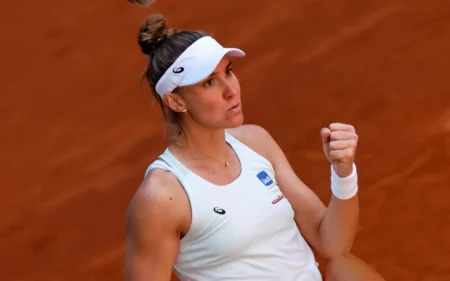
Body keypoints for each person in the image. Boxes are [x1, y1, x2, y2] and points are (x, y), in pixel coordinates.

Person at [124, 10, 386, 281]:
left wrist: (344, 174)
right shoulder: (162, 196)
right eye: (210, 82)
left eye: (229, 72)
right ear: (176, 102)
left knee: (348, 270)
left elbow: (330, 242)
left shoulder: (255, 143)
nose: (231, 90)